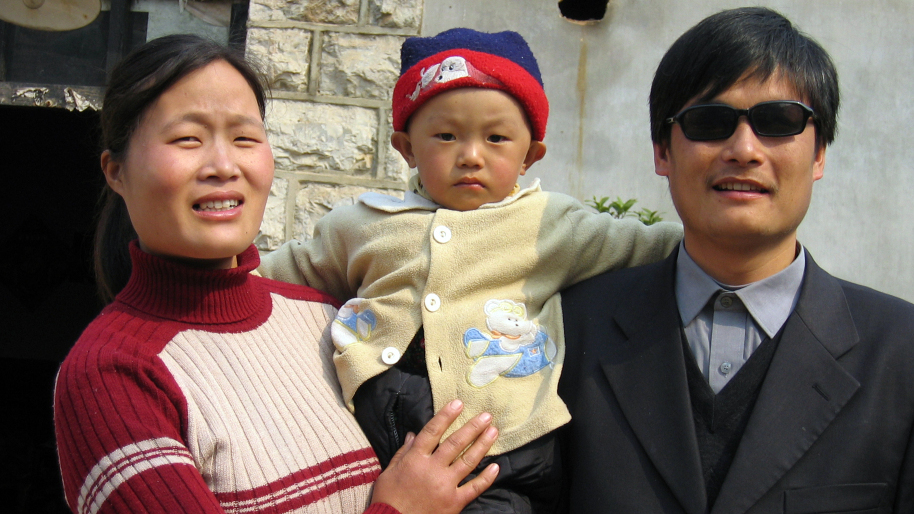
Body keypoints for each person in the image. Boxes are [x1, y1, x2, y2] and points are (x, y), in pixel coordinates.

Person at [53, 34, 502, 514]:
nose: (224, 166)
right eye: (188, 138)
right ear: (115, 171)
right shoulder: (112, 375)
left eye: (245, 137)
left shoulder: (328, 319)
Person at [257, 28, 682, 512]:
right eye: (446, 136)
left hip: (503, 452)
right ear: (407, 148)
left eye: (497, 138)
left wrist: (734, 238)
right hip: (376, 437)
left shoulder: (551, 224)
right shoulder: (363, 224)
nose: (471, 155)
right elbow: (276, 273)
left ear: (530, 155)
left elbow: (647, 245)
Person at [559, 7, 914, 513]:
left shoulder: (901, 353)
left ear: (819, 154)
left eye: (780, 121)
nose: (744, 150)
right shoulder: (571, 329)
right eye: (709, 122)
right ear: (662, 151)